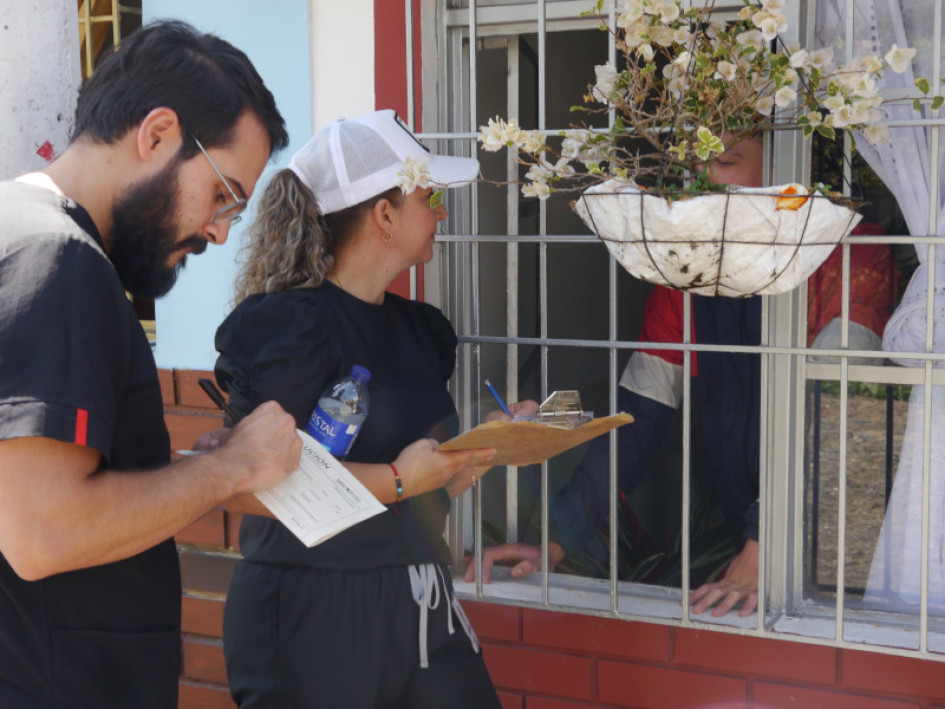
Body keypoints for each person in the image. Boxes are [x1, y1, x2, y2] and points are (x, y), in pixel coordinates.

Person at [0, 21, 302, 708]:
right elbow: (43, 530)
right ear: (158, 133)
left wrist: (191, 472)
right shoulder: (59, 259)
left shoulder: (19, 231)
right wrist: (232, 466)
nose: (221, 231)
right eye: (223, 192)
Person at [467, 134, 897, 618]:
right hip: (746, 534)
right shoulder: (686, 272)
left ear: (785, 162)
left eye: (727, 160)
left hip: (849, 536)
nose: (705, 179)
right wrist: (555, 540)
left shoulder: (853, 254)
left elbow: (835, 421)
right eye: (694, 165)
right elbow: (638, 417)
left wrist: (766, 543)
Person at [214, 109, 502, 708]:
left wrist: (462, 462)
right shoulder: (287, 330)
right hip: (311, 612)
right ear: (385, 214)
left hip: (420, 595)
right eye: (429, 196)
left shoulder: (421, 331)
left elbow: (415, 476)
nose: (442, 212)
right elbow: (245, 488)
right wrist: (401, 481)